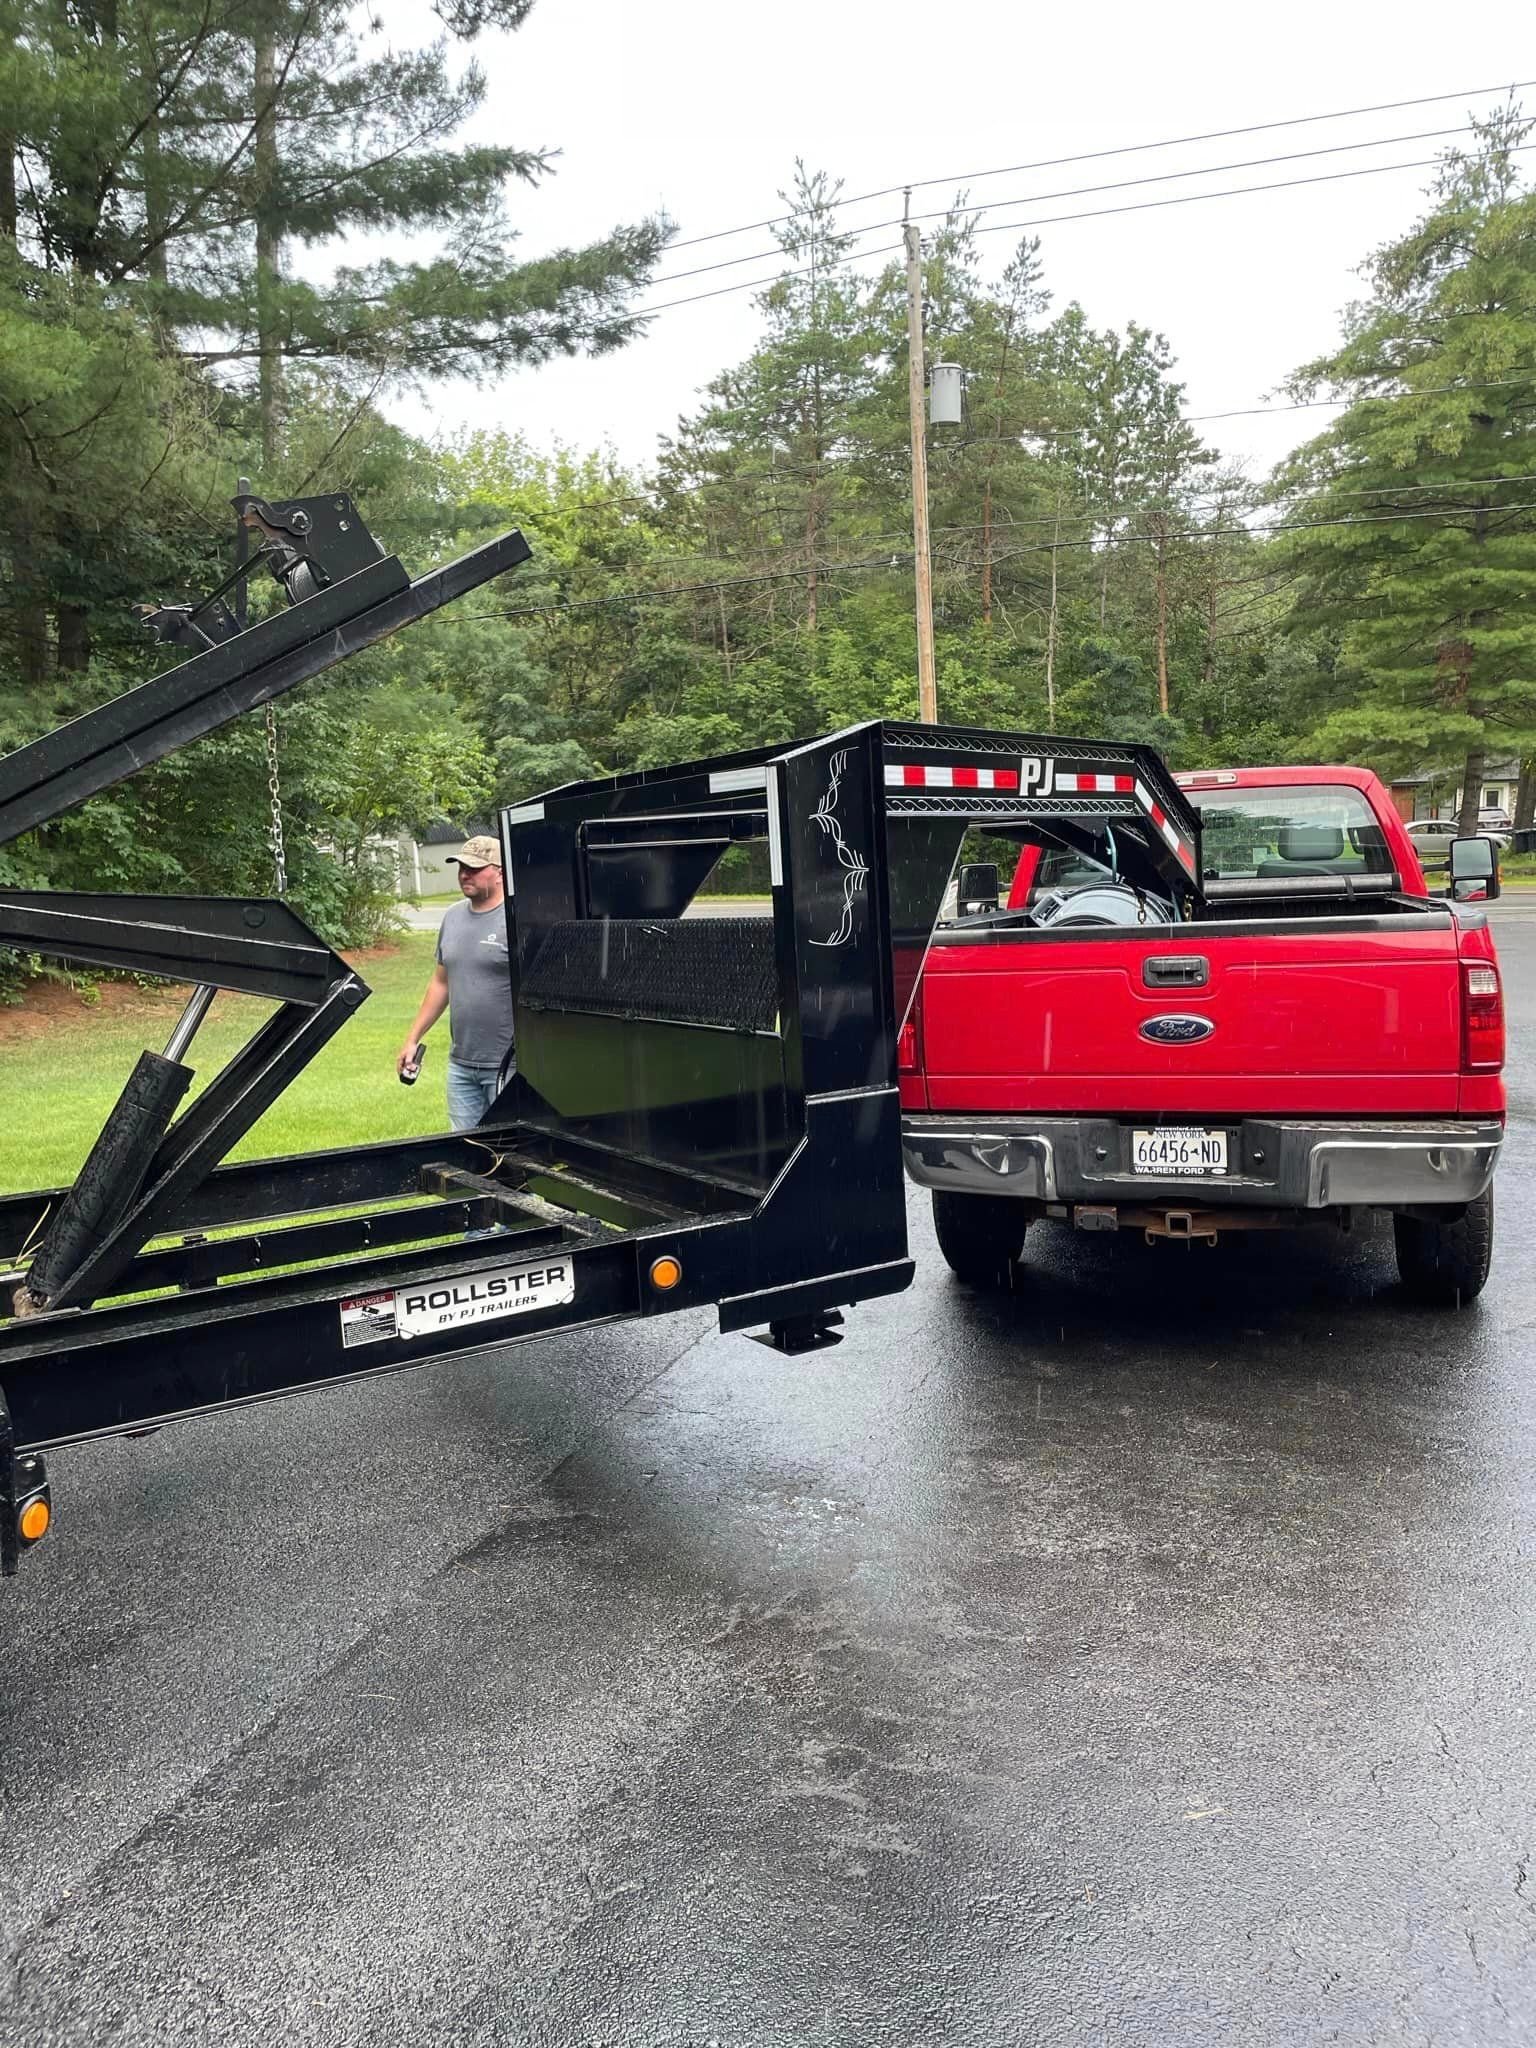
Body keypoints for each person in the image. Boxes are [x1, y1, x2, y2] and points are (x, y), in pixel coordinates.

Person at [398, 835, 515, 1130]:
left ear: (500, 872)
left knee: (511, 1158)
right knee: (464, 1154)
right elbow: (441, 983)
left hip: (508, 1066)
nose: (465, 874)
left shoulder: (517, 919)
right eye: (462, 867)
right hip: (462, 1065)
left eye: (474, 868)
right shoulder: (452, 917)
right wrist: (412, 1039)